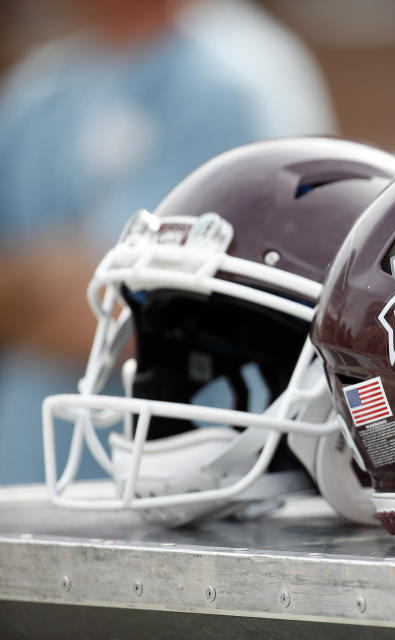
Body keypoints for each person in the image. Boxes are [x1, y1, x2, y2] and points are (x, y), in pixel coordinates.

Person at [0, 0, 336, 484]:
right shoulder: (36, 89)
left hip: (202, 502)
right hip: (30, 490)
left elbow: (131, 315)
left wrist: (30, 289)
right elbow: (120, 296)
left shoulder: (237, 79)